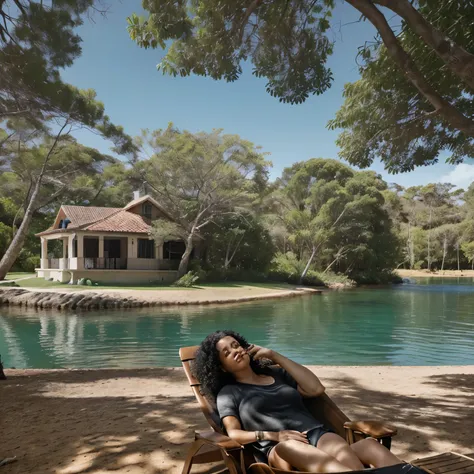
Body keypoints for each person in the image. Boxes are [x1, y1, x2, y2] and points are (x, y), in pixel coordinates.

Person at [193, 330, 403, 472]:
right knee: (293, 446)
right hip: (280, 448)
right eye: (227, 353)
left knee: (368, 445)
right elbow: (234, 433)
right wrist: (274, 435)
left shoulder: (278, 375)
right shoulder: (228, 393)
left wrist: (275, 356)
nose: (235, 351)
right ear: (221, 367)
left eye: (236, 345)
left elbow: (316, 389)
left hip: (317, 434)